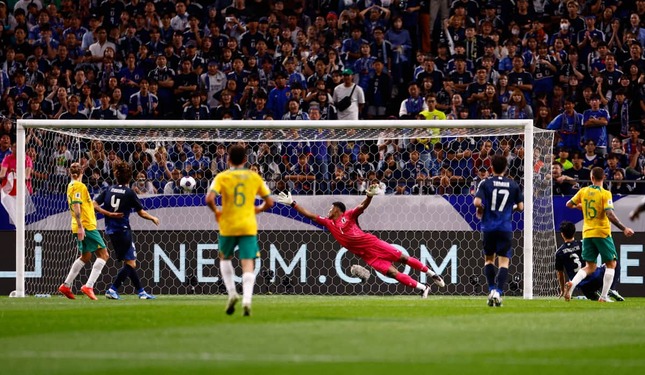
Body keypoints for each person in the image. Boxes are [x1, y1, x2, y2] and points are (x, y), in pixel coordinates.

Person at [276, 185, 445, 298]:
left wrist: (369, 196)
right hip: (367, 256)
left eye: (331, 208)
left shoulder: (348, 215)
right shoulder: (328, 223)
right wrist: (293, 203)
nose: (328, 210)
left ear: (338, 210)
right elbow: (310, 215)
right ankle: (423, 288)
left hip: (372, 243)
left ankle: (432, 274)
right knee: (393, 273)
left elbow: (362, 206)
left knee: (402, 258)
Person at [205, 144, 274, 317]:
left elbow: (209, 198)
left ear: (228, 160)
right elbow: (270, 202)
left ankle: (232, 293)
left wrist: (217, 212)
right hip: (247, 224)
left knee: (224, 257)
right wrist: (256, 210)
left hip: (228, 223)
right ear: (245, 160)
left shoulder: (222, 176)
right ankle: (247, 300)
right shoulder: (253, 177)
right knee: (247, 262)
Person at [564, 167, 634, 302]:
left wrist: (580, 206)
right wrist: (624, 228)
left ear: (591, 178)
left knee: (590, 266)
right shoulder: (605, 193)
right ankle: (603, 297)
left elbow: (568, 204)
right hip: (602, 232)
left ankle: (572, 285)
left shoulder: (583, 191)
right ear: (604, 178)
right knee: (611, 264)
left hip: (587, 233)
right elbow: (609, 214)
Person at [93, 161, 160, 300]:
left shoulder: (109, 189)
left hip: (111, 230)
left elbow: (94, 204)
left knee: (129, 261)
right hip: (123, 231)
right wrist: (153, 218)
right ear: (129, 178)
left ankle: (141, 292)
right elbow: (141, 212)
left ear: (116, 176)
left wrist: (108, 213)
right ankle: (112, 289)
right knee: (131, 263)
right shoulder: (129, 193)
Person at [473, 155, 524, 307]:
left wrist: (482, 209)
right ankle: (499, 293)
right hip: (505, 227)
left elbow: (477, 202)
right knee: (504, 262)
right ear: (506, 169)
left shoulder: (485, 183)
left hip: (488, 227)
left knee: (489, 259)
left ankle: (491, 289)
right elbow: (521, 207)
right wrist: (510, 209)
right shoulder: (513, 184)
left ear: (492, 167)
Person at [58, 163, 114, 300]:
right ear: (82, 172)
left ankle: (66, 285)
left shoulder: (71, 185)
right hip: (86, 226)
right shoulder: (79, 186)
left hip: (80, 225)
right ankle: (89, 286)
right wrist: (80, 226)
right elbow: (76, 205)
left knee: (86, 256)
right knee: (104, 254)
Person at [555, 221, 625, 301]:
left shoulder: (559, 252)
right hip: (595, 277)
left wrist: (562, 289)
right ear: (574, 232)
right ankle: (611, 289)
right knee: (613, 262)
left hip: (582, 285)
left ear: (562, 234)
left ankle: (574, 286)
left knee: (594, 297)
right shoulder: (583, 244)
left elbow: (560, 274)